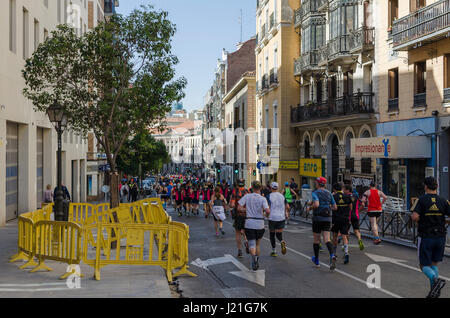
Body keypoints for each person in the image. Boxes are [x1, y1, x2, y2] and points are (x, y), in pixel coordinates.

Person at [411, 177, 450, 298]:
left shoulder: (421, 200)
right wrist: (444, 222)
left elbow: (415, 217)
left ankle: (435, 280)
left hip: (426, 236)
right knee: (434, 263)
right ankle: (435, 292)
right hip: (440, 237)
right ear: (436, 187)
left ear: (426, 187)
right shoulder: (444, 200)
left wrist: (421, 220)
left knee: (424, 265)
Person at [238, 181, 270, 271]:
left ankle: (253, 258)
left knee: (252, 243)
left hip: (249, 222)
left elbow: (239, 207)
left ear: (252, 187)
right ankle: (257, 259)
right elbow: (267, 211)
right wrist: (266, 215)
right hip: (260, 223)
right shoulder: (263, 199)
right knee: (258, 244)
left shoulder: (247, 196)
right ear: (260, 188)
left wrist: (246, 209)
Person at [307, 177, 337, 270]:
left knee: (316, 240)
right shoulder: (329, 193)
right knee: (327, 239)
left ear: (318, 183)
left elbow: (316, 204)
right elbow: (335, 207)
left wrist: (310, 208)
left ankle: (317, 261)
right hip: (327, 218)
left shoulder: (315, 193)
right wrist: (327, 207)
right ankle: (332, 255)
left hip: (317, 218)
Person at [331, 183, 352, 264]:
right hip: (345, 219)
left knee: (335, 236)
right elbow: (350, 208)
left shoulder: (333, 197)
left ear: (334, 189)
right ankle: (346, 253)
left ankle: (334, 254)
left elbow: (332, 207)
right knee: (344, 236)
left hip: (336, 219)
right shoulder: (347, 196)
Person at [268, 182, 289, 257]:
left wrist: (266, 214)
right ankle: (282, 241)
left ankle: (274, 251)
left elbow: (268, 207)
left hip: (272, 217)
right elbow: (288, 206)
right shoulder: (282, 196)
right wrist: (286, 212)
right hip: (281, 217)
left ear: (271, 188)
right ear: (277, 188)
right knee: (279, 234)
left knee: (272, 235)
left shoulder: (269, 196)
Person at [230, 178, 249, 258]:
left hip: (238, 215)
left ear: (237, 184)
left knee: (238, 233)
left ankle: (240, 251)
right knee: (245, 232)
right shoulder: (247, 191)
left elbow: (232, 205)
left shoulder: (235, 192)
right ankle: (246, 241)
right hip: (247, 215)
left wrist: (232, 205)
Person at [345, 184, 365, 251]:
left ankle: (346, 245)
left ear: (347, 190)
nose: (344, 191)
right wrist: (358, 211)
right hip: (356, 215)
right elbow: (363, 204)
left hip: (348, 216)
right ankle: (359, 239)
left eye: (344, 189)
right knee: (356, 230)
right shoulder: (356, 197)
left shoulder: (346, 196)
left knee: (346, 231)